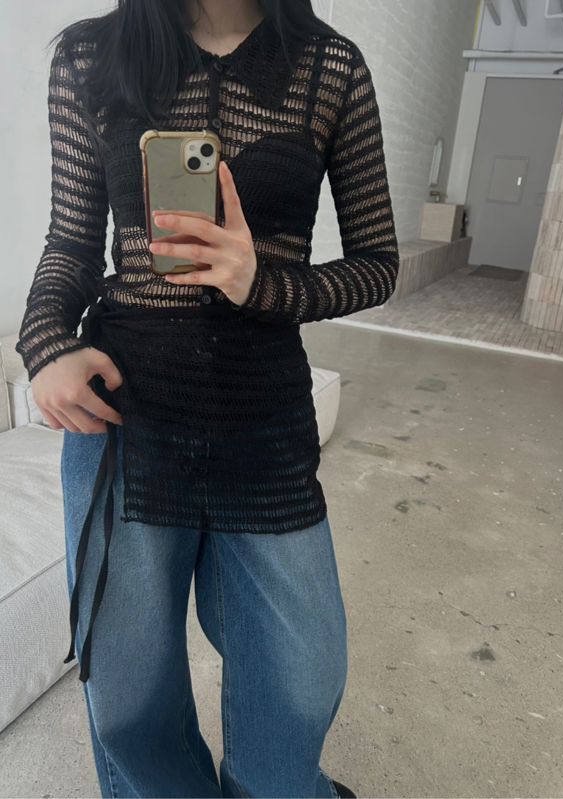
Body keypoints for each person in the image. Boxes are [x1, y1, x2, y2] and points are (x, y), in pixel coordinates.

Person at [16, 0, 400, 796]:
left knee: (301, 675)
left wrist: (264, 283)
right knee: (127, 696)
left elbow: (377, 263)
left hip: (263, 417)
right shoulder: (91, 57)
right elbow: (70, 244)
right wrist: (47, 344)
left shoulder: (331, 66)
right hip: (129, 419)